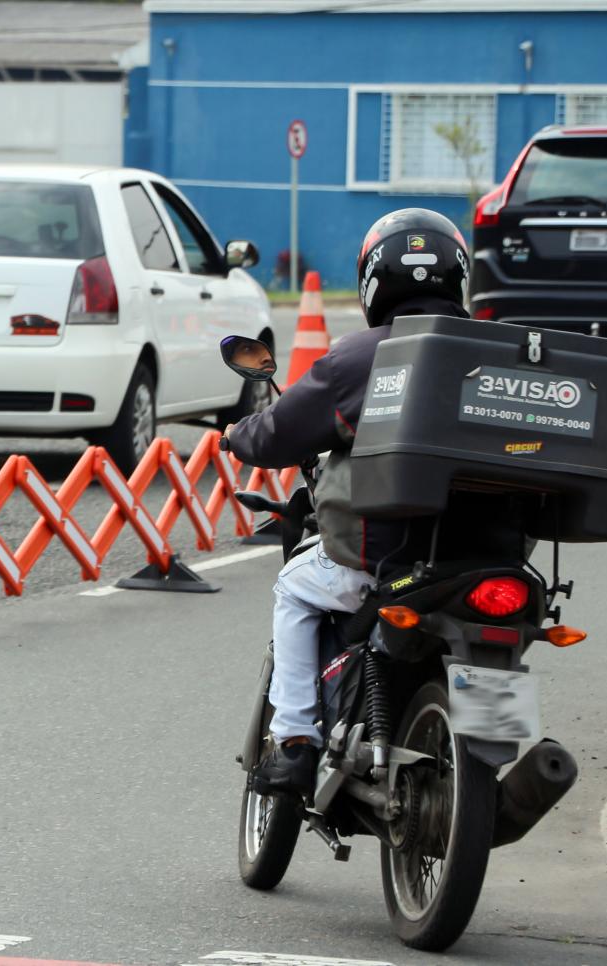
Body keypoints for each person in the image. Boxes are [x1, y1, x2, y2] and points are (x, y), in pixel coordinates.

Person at [225, 209, 472, 795]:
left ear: (372, 283)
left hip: (385, 561)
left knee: (294, 586)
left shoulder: (360, 359)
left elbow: (278, 433)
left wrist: (238, 433)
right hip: (487, 557)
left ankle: (294, 744)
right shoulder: (495, 350)